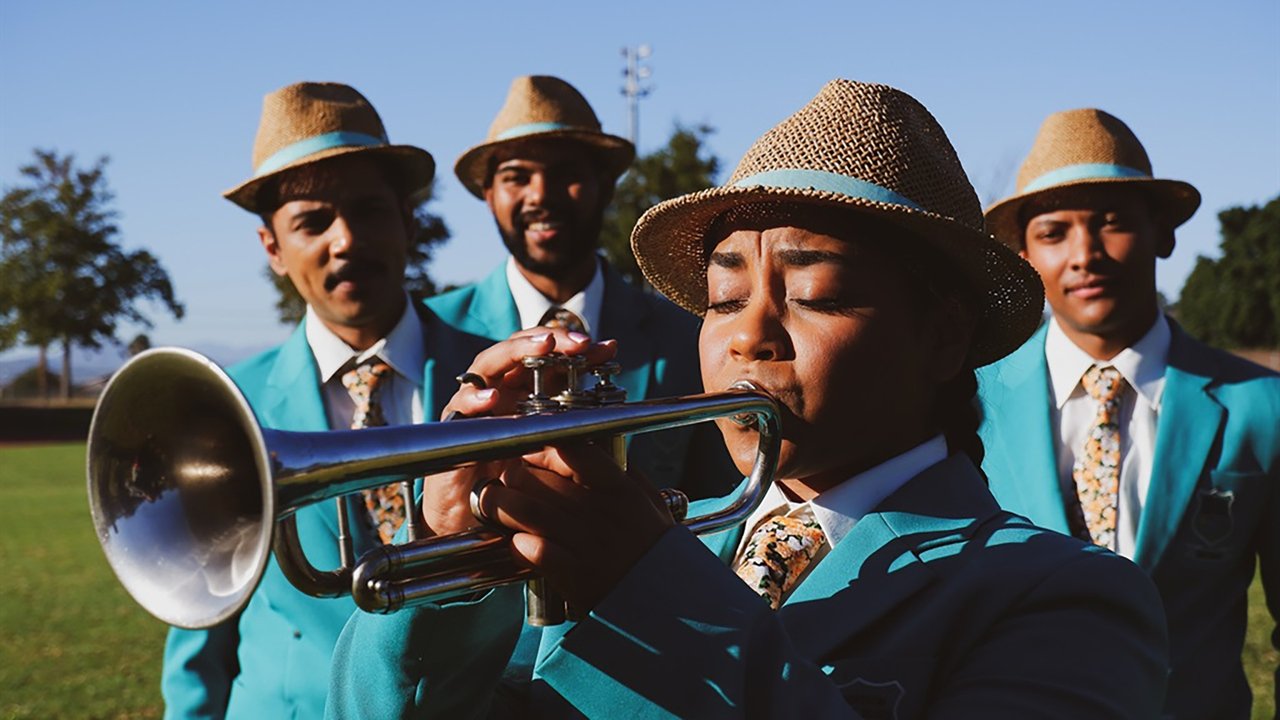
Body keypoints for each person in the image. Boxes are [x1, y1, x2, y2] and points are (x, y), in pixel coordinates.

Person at [325, 79, 1170, 719]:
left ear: (943, 338)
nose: (747, 336)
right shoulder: (673, 536)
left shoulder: (1066, 596)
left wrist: (648, 585)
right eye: (723, 301)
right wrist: (445, 564)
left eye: (818, 293)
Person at [161, 81, 464, 719]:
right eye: (312, 221)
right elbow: (198, 630)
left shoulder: (498, 376)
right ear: (272, 248)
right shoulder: (223, 404)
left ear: (409, 222)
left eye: (371, 210)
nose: (346, 239)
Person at [977, 108, 1280, 719]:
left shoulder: (1261, 407)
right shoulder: (966, 403)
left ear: (1164, 233)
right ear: (1024, 252)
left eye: (1112, 224)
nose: (1085, 254)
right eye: (1054, 232)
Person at [430, 75, 734, 499]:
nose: (541, 195)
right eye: (517, 177)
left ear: (606, 186)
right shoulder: (429, 335)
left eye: (565, 174)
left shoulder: (685, 336)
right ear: (488, 194)